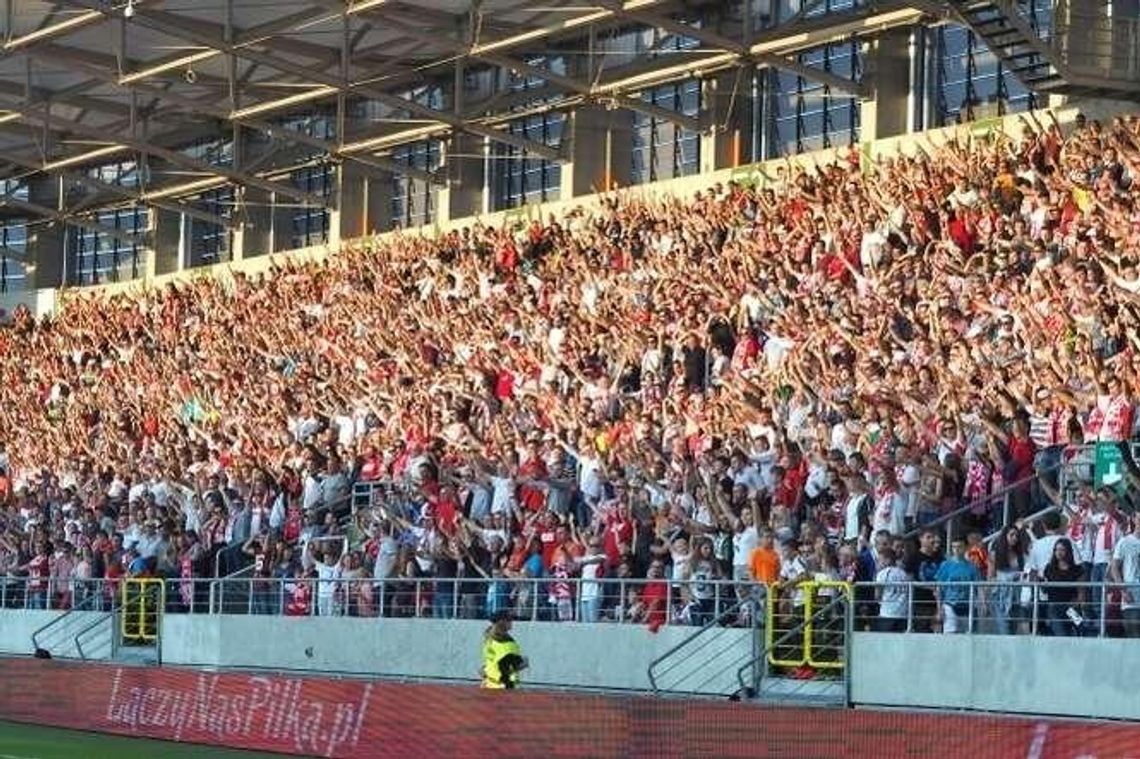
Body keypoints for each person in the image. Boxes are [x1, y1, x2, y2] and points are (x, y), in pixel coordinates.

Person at [480, 609, 527, 689]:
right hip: (504, 687)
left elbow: (493, 659)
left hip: (488, 684)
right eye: (509, 620)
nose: (511, 623)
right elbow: (515, 666)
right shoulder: (507, 644)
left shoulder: (489, 639)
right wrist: (524, 662)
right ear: (501, 623)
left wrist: (486, 668)